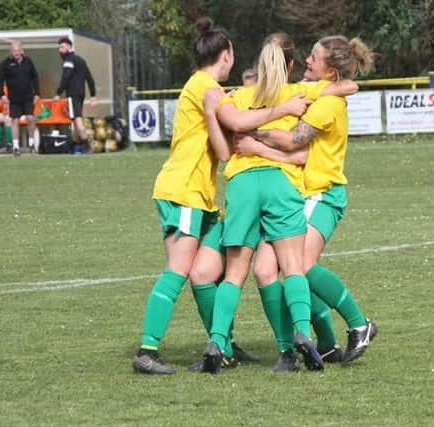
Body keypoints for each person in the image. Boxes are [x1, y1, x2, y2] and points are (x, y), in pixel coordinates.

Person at [131, 18, 310, 375]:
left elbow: (223, 147)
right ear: (225, 54)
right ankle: (147, 349)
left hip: (203, 194)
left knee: (206, 272)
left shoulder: (208, 88)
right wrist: (283, 111)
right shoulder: (206, 88)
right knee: (181, 268)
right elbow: (238, 127)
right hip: (183, 189)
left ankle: (224, 345)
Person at [201, 32, 358, 373]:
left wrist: (220, 104)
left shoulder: (238, 96)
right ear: (286, 67)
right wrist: (286, 106)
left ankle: (216, 340)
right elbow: (346, 87)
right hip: (280, 183)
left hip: (241, 183)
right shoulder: (296, 93)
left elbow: (228, 138)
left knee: (236, 274)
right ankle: (303, 334)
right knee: (293, 265)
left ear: (256, 68)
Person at [237, 35, 378, 365]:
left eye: (314, 57)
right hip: (299, 194)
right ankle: (315, 344)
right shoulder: (316, 91)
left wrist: (249, 133)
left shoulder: (328, 105)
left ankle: (359, 323)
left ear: (330, 70)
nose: (307, 61)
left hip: (323, 193)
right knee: (266, 269)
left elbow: (292, 140)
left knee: (300, 266)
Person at [0, 41, 40, 156]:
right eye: (14, 51)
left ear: (22, 50)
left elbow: (35, 77)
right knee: (14, 120)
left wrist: (37, 93)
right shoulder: (5, 63)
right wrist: (2, 95)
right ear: (11, 51)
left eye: (18, 50)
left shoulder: (28, 61)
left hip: (28, 96)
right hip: (14, 98)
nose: (16, 53)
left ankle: (31, 144)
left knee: (31, 118)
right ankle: (16, 146)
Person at [54, 37, 97, 153]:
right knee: (74, 119)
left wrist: (58, 93)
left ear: (69, 47)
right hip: (81, 93)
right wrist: (93, 95)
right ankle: (73, 145)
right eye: (59, 47)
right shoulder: (81, 60)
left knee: (77, 119)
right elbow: (89, 78)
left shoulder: (68, 61)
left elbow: (66, 77)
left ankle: (86, 145)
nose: (60, 50)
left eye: (62, 47)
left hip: (73, 94)